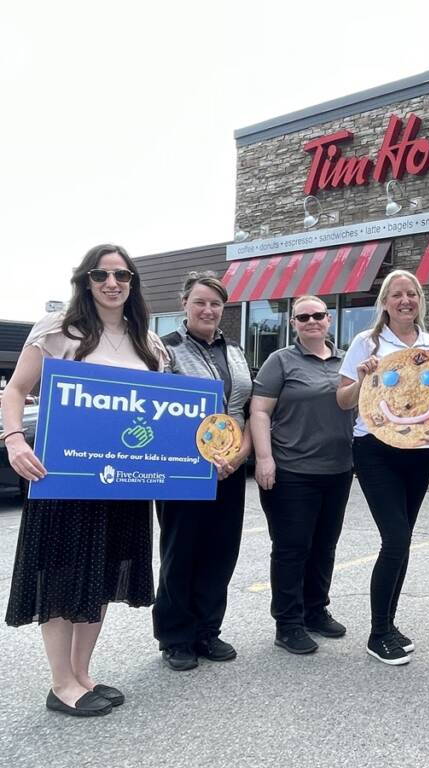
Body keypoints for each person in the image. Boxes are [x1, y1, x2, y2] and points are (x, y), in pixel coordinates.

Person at [2, 244, 167, 716]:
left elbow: (161, 416)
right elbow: (15, 390)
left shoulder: (149, 344)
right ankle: (60, 685)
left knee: (99, 577)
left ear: (133, 284)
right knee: (61, 576)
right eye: (101, 275)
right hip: (65, 480)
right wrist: (15, 441)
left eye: (122, 275)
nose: (112, 283)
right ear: (86, 281)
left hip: (123, 484)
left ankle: (81, 672)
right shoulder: (58, 332)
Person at [338, 270, 429, 666]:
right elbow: (343, 401)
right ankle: (377, 632)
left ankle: (390, 623)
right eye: (396, 294)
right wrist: (362, 379)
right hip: (375, 448)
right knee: (395, 539)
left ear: (420, 300)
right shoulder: (366, 343)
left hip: (417, 451)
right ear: (384, 302)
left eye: (411, 294)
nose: (405, 300)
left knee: (404, 540)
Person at [152, 272, 253, 671]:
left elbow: (245, 410)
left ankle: (208, 630)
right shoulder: (166, 350)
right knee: (181, 551)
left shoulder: (236, 351)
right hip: (184, 469)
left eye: (215, 304)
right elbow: (156, 408)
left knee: (221, 550)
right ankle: (176, 636)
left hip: (230, 468)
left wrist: (240, 456)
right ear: (184, 304)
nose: (208, 310)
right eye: (200, 302)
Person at [250, 296, 353, 655]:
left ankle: (315, 610)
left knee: (324, 547)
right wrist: (264, 458)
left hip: (338, 470)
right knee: (293, 549)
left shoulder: (346, 361)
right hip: (292, 471)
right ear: (294, 323)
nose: (312, 321)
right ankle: (288, 623)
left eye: (318, 315)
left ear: (329, 320)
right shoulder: (280, 361)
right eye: (303, 317)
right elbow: (259, 411)